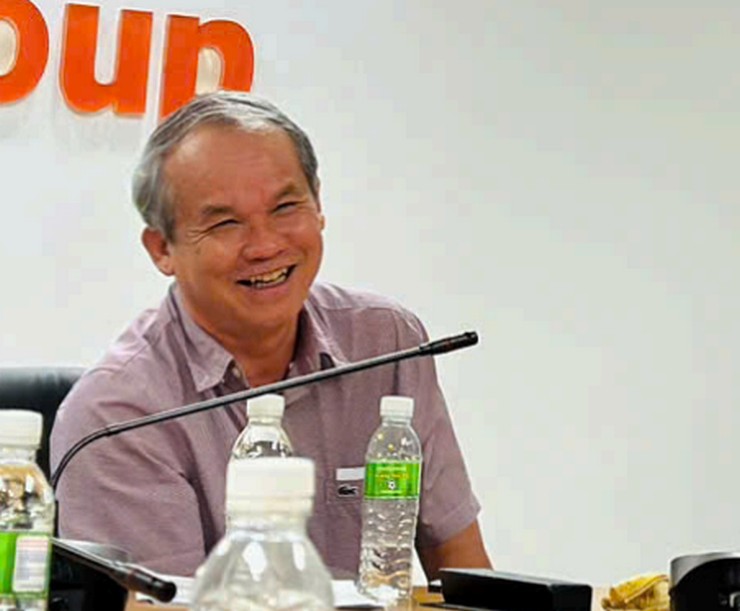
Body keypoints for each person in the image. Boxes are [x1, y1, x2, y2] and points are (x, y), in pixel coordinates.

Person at [50, 91, 491, 578]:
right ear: (161, 249)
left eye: (285, 208)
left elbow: (466, 573)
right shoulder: (117, 415)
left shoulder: (387, 342)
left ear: (318, 205)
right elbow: (162, 606)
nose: (264, 246)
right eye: (225, 223)